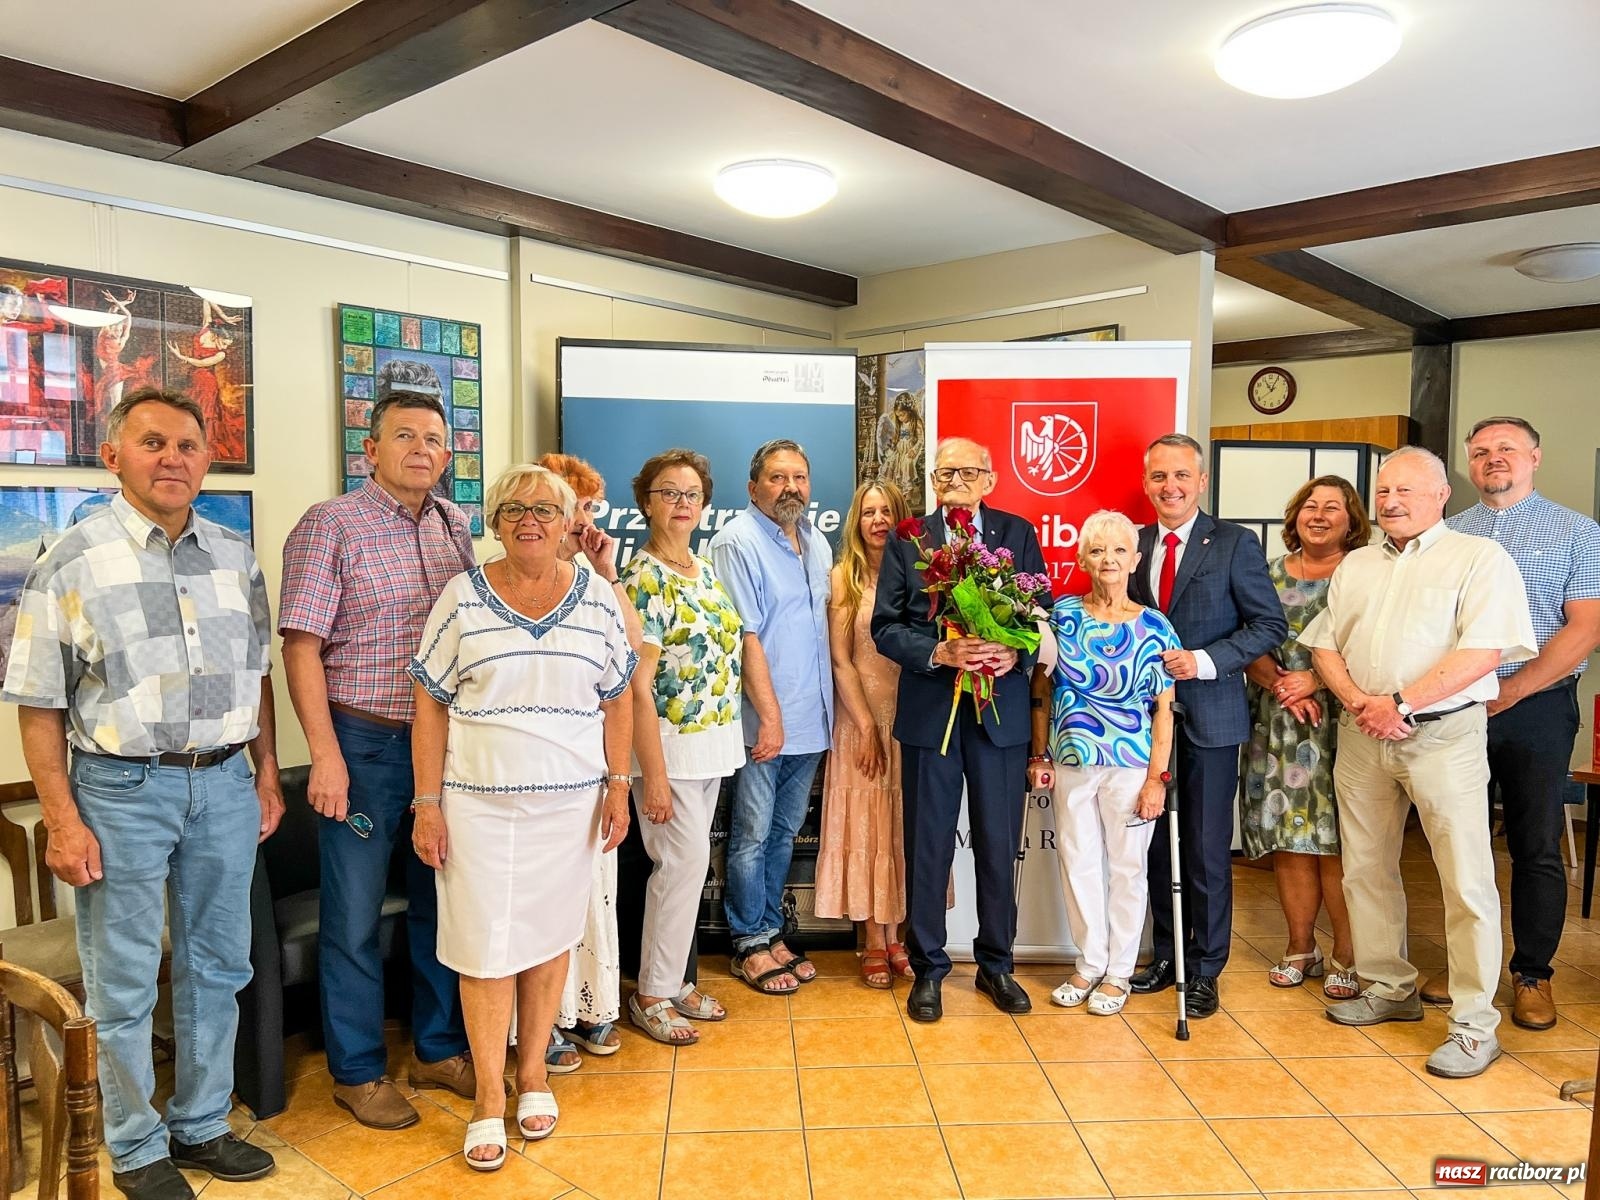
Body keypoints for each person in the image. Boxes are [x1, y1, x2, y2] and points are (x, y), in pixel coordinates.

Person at [3, 387, 281, 1200]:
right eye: (153, 443)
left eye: (188, 445)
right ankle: (133, 1144)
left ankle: (200, 1125)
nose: (173, 458)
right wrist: (61, 819)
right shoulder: (72, 559)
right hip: (119, 790)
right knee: (122, 979)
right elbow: (41, 703)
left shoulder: (234, 553)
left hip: (225, 782)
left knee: (219, 967)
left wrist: (264, 773)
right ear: (113, 456)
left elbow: (256, 678)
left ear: (206, 459)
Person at [409, 464, 636, 1168]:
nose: (529, 519)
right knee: (484, 949)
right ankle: (487, 1098)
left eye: (545, 508)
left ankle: (532, 1074)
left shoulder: (597, 598)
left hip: (571, 806)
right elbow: (429, 703)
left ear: (569, 520)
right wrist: (426, 802)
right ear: (495, 521)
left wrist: (619, 785)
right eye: (514, 509)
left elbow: (619, 695)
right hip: (477, 805)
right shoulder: (460, 596)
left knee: (546, 941)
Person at [279, 381, 477, 1131]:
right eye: (404, 436)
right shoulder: (331, 524)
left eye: (433, 437)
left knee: (439, 905)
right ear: (371, 448)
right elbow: (302, 649)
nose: (421, 449)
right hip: (360, 745)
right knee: (354, 917)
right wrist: (323, 756)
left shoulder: (455, 526)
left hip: (442, 747)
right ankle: (357, 1070)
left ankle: (434, 1047)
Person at [1302, 446, 1535, 1079]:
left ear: (1441, 497)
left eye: (1406, 491)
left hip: (1444, 737)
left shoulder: (1479, 558)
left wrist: (1400, 702)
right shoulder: (1357, 565)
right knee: (1366, 868)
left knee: (1465, 881)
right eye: (1382, 493)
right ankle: (1388, 987)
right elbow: (1326, 645)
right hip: (1362, 736)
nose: (1391, 502)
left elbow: (1485, 651)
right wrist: (1361, 703)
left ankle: (1473, 1024)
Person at [873, 436, 1049, 1023]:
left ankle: (997, 965)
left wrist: (1014, 655)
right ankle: (928, 969)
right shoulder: (910, 538)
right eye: (945, 472)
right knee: (928, 845)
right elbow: (886, 627)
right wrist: (939, 653)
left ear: (990, 479)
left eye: (968, 471)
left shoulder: (1017, 532)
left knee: (999, 844)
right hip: (932, 715)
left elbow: (1039, 613)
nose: (956, 481)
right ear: (932, 478)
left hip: (999, 716)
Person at [1432, 417, 1600, 1029]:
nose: (1492, 460)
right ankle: (1466, 966)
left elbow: (1584, 627)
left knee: (1534, 846)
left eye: (1506, 449)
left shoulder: (1580, 533)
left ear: (1535, 457)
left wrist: (1510, 691)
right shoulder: (1446, 534)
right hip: (1456, 704)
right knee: (1459, 842)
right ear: (1469, 468)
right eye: (1480, 453)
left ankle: (1533, 973)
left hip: (1537, 707)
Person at [1127, 433, 1286, 1019]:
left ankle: (1205, 969)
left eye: (1181, 477)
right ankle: (1165, 956)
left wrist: (1205, 661)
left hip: (1212, 721)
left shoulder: (1236, 543)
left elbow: (1268, 626)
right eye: (1159, 477)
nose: (1170, 487)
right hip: (1139, 726)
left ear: (1201, 482)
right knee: (1153, 851)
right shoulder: (1132, 543)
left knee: (1204, 851)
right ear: (1146, 484)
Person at [623, 448, 755, 1041]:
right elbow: (636, 688)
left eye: (692, 494)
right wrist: (650, 774)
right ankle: (652, 992)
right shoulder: (641, 579)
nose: (682, 503)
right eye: (668, 493)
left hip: (713, 743)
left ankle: (673, 980)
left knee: (689, 867)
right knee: (678, 868)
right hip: (668, 750)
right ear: (645, 503)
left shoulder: (703, 568)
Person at [1029, 510, 1177, 1016]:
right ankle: (1089, 962)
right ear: (1082, 559)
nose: (1108, 560)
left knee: (1129, 868)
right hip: (1072, 760)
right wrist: (1038, 750)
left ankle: (1119, 971)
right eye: (1097, 550)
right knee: (1078, 861)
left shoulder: (1156, 626)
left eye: (1119, 550)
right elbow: (1042, 690)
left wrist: (1158, 777)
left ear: (1135, 559)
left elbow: (1164, 710)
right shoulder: (1062, 617)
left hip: (1132, 764)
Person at [709, 439, 833, 995]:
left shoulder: (817, 542)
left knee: (784, 831)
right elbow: (745, 636)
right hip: (766, 720)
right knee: (752, 835)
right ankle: (747, 943)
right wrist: (771, 718)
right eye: (779, 478)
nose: (791, 488)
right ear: (754, 486)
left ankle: (771, 929)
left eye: (800, 478)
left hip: (813, 716)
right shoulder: (737, 542)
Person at [1240, 476, 1370, 999]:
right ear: (1294, 517)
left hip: (1343, 722)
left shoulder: (1365, 573)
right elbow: (1242, 636)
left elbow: (1376, 644)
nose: (1319, 515)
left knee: (1338, 844)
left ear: (1351, 519)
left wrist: (1317, 680)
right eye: (1309, 506)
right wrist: (1284, 685)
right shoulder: (1265, 573)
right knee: (1290, 840)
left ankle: (1348, 953)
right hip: (1276, 724)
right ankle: (1300, 946)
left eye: (1332, 507)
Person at [537, 452, 641, 1063]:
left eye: (588, 508)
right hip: (535, 767)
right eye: (577, 505)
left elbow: (629, 655)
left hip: (592, 764)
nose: (585, 518)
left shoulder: (593, 580)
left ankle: (586, 1006)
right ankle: (541, 1024)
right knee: (543, 898)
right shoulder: (515, 578)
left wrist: (606, 570)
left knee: (589, 890)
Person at [817, 479, 915, 987]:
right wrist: (866, 728)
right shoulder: (844, 578)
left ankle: (898, 936)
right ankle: (872, 941)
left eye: (887, 512)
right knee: (868, 828)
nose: (878, 521)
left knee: (901, 828)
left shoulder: (920, 576)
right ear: (856, 522)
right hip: (861, 722)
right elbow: (841, 658)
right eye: (868, 513)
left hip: (911, 721)